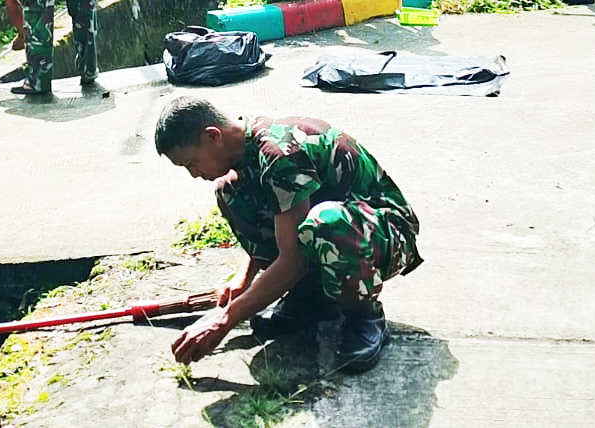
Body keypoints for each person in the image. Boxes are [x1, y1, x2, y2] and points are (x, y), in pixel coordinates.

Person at [155, 96, 421, 374]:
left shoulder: (280, 152)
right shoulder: (245, 149)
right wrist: (244, 277)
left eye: (192, 163)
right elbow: (280, 219)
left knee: (325, 222)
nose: (194, 174)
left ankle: (364, 315)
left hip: (388, 236)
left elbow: (293, 259)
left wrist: (223, 321)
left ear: (213, 136)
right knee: (230, 191)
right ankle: (311, 297)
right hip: (339, 234)